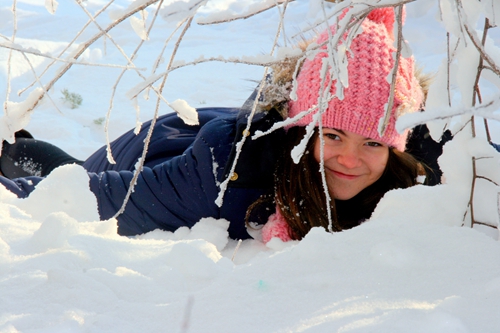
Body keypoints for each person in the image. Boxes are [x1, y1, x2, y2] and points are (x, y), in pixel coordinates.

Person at [0, 7, 438, 242]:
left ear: (396, 147)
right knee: (67, 175)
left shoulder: (424, 162)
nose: (350, 158)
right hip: (161, 153)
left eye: (373, 145)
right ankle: (10, 145)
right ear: (301, 130)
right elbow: (89, 199)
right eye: (332, 135)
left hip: (219, 132)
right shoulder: (223, 175)